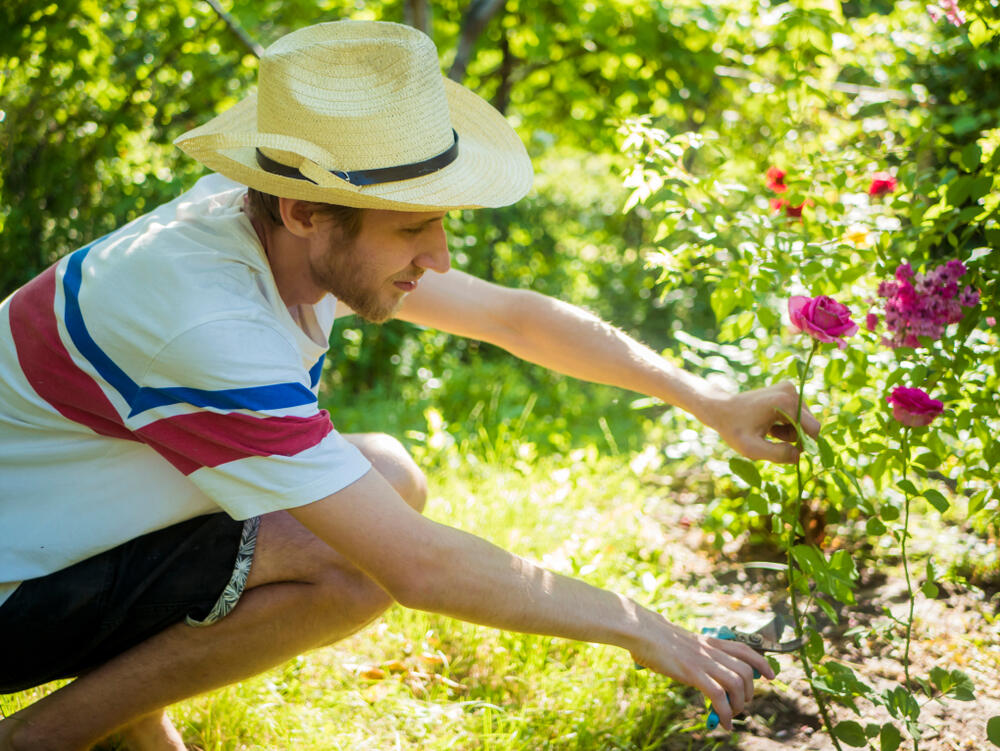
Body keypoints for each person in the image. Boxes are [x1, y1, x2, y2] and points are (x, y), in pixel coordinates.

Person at [0, 20, 819, 751]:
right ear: (304, 211)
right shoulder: (206, 320)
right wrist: (646, 629)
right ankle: (41, 737)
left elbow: (514, 318)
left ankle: (128, 715)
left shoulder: (264, 220)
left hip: (54, 533)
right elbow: (418, 566)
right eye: (413, 225)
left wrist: (709, 401)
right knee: (356, 561)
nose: (440, 256)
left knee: (386, 472)